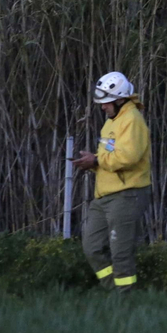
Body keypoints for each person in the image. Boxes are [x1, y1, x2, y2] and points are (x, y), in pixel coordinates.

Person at [71, 71, 152, 291]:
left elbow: (128, 157)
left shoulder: (132, 120)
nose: (103, 107)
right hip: (104, 195)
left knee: (121, 253)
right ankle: (112, 290)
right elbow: (111, 156)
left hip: (127, 195)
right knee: (92, 247)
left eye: (106, 103)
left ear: (119, 100)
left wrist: (96, 160)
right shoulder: (112, 121)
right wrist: (93, 162)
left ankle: (125, 298)